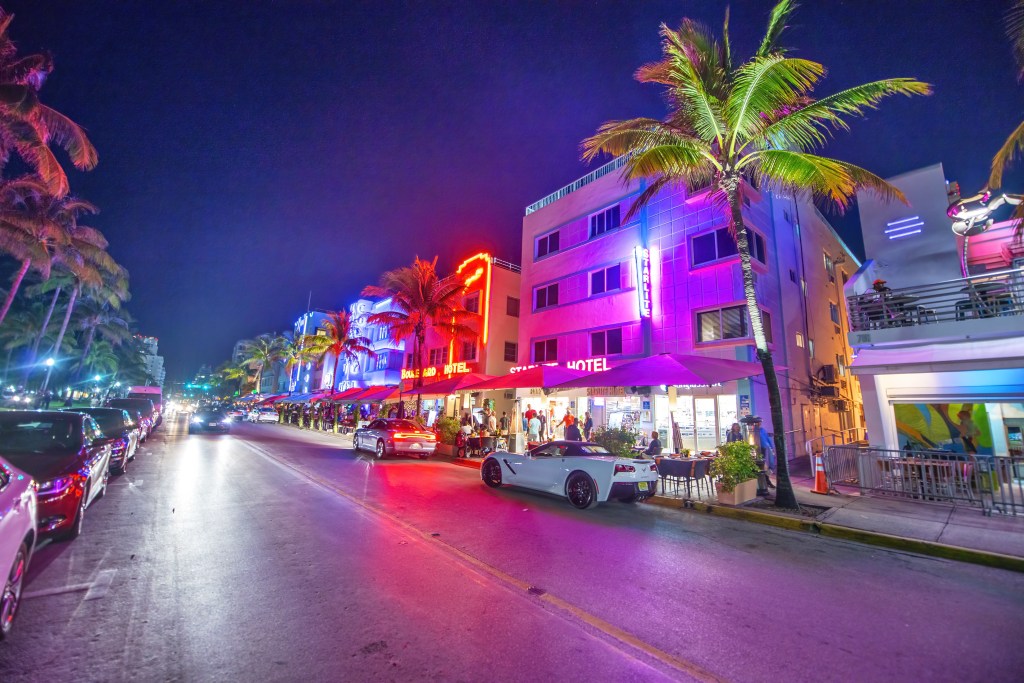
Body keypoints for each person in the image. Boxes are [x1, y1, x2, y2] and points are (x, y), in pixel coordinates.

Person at [754, 419, 776, 487]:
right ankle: (767, 481)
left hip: (767, 449)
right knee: (764, 466)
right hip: (760, 450)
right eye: (758, 422)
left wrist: (772, 447)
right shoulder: (755, 431)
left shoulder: (762, 430)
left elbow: (767, 439)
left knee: (770, 464)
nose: (759, 423)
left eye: (760, 422)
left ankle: (767, 480)